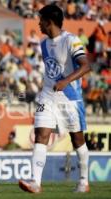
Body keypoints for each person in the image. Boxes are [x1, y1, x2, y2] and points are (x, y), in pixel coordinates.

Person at [18, 5, 91, 193]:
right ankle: (35, 182)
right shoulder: (43, 43)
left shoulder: (71, 41)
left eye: (41, 20)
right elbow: (51, 70)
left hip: (70, 98)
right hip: (48, 96)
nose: (39, 24)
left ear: (49, 21)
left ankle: (83, 181)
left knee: (77, 140)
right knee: (41, 135)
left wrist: (66, 81)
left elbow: (85, 66)